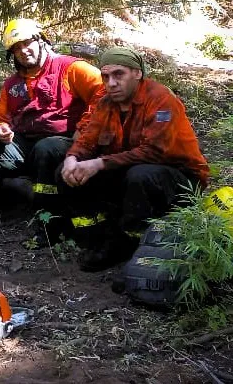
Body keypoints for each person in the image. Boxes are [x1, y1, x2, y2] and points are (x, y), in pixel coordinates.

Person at [0, 19, 104, 231]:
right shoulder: (12, 84)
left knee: (47, 148)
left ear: (41, 40)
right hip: (24, 145)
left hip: (65, 142)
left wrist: (85, 127)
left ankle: (49, 225)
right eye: (16, 48)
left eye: (27, 43)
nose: (23, 51)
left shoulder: (72, 68)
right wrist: (1, 129)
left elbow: (103, 92)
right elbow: (0, 118)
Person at [55, 46, 210, 271]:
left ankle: (131, 245)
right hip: (131, 171)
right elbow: (88, 139)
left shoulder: (160, 99)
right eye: (106, 77)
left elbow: (155, 152)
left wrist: (99, 163)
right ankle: (97, 237)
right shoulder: (106, 103)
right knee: (68, 170)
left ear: (137, 73)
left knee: (141, 175)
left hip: (181, 179)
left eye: (119, 74)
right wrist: (72, 158)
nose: (111, 83)